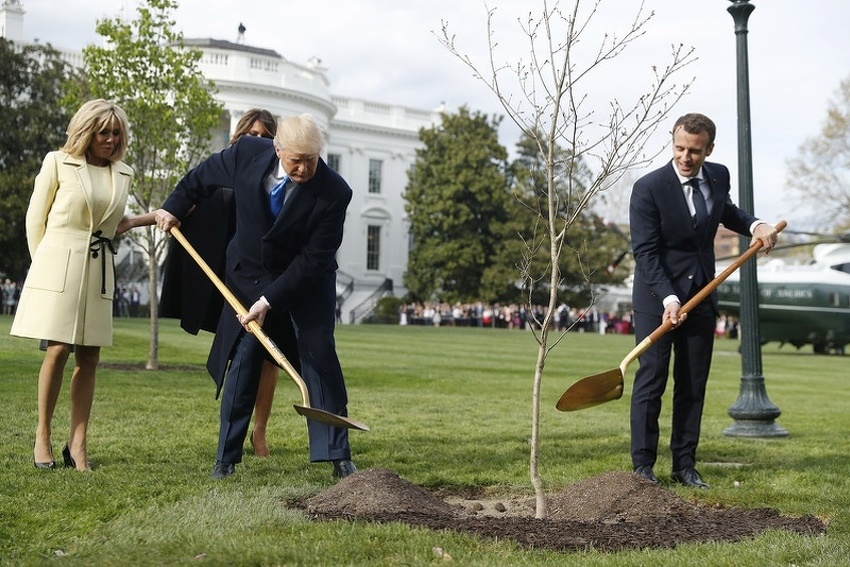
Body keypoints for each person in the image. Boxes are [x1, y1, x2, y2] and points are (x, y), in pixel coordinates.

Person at [152, 113, 357, 480]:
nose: (305, 167)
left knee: (318, 353)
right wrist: (173, 206)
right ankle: (225, 459)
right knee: (244, 357)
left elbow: (312, 261)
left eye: (312, 159)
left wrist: (269, 301)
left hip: (306, 283)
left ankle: (337, 455)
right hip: (248, 275)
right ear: (277, 149)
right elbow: (202, 176)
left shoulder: (334, 192)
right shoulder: (246, 152)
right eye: (296, 159)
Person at [628, 112, 778, 489]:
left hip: (702, 296)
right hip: (656, 298)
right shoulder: (648, 188)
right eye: (679, 147)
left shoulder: (718, 175)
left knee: (692, 385)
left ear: (708, 149)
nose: (685, 157)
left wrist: (755, 224)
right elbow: (646, 254)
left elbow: (725, 211)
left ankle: (684, 465)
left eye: (694, 150)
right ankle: (643, 468)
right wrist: (669, 298)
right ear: (673, 142)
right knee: (652, 381)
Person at [154, 108, 289, 458]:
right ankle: (233, 435)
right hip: (229, 275)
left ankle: (259, 432)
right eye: (251, 134)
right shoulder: (224, 169)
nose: (256, 141)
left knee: (269, 358)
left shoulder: (279, 178)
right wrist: (151, 215)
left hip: (266, 275)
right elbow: (186, 200)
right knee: (241, 354)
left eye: (264, 136)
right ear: (239, 135)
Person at [11, 99, 134, 471]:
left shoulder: (123, 173)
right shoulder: (57, 162)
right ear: (86, 131)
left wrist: (151, 216)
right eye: (103, 132)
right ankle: (43, 436)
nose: (110, 140)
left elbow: (112, 225)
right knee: (58, 349)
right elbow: (36, 219)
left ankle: (77, 444)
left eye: (115, 133)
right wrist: (45, 268)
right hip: (57, 268)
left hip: (98, 269)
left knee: (90, 357)